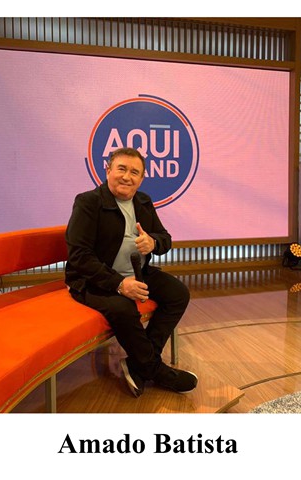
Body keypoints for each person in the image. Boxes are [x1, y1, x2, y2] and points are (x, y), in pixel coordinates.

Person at [65, 147, 197, 397]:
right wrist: (119, 284)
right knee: (122, 307)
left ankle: (139, 363)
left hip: (137, 273)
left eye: (134, 172)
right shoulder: (88, 202)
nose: (127, 177)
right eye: (121, 169)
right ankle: (154, 369)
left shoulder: (143, 201)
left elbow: (165, 238)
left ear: (142, 178)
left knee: (178, 293)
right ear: (108, 170)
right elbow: (79, 256)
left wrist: (153, 243)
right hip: (93, 280)